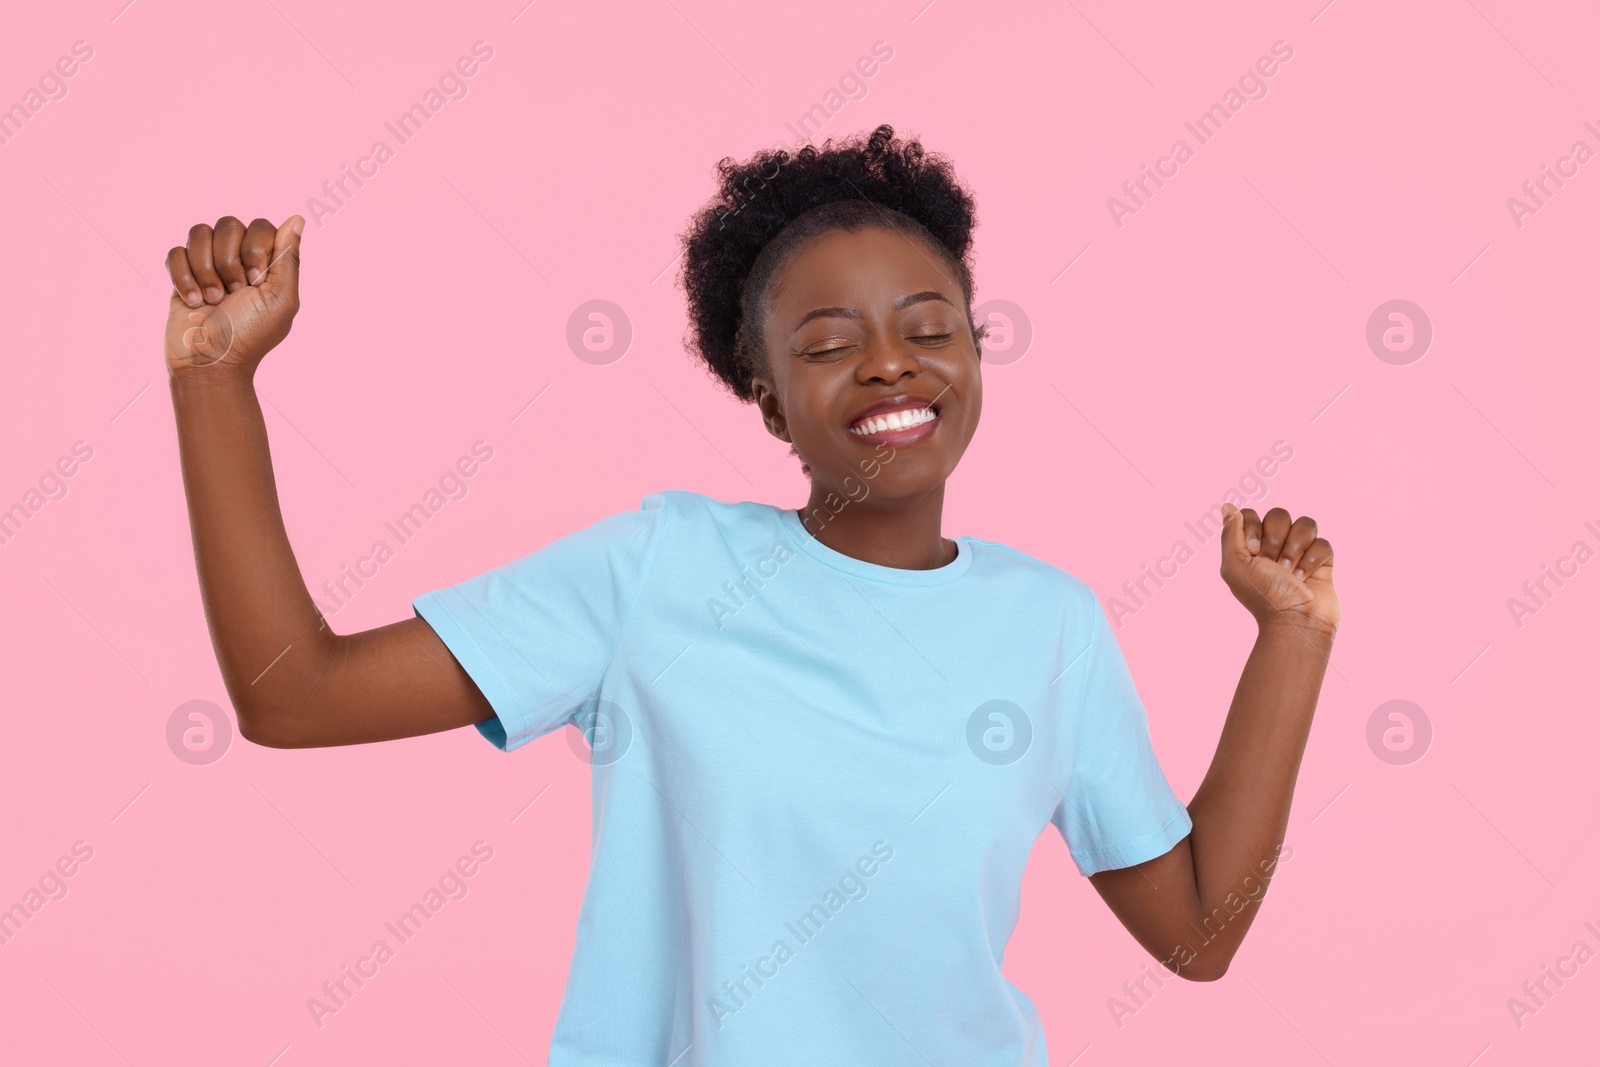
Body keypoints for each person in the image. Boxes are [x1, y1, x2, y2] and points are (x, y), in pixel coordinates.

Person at [161, 124, 1339, 1066]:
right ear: (768, 400)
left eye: (929, 328)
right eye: (828, 345)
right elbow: (292, 694)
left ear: (973, 355)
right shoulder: (656, 570)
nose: (890, 362)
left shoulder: (1052, 622)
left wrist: (1291, 636)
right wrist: (214, 380)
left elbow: (1195, 930)